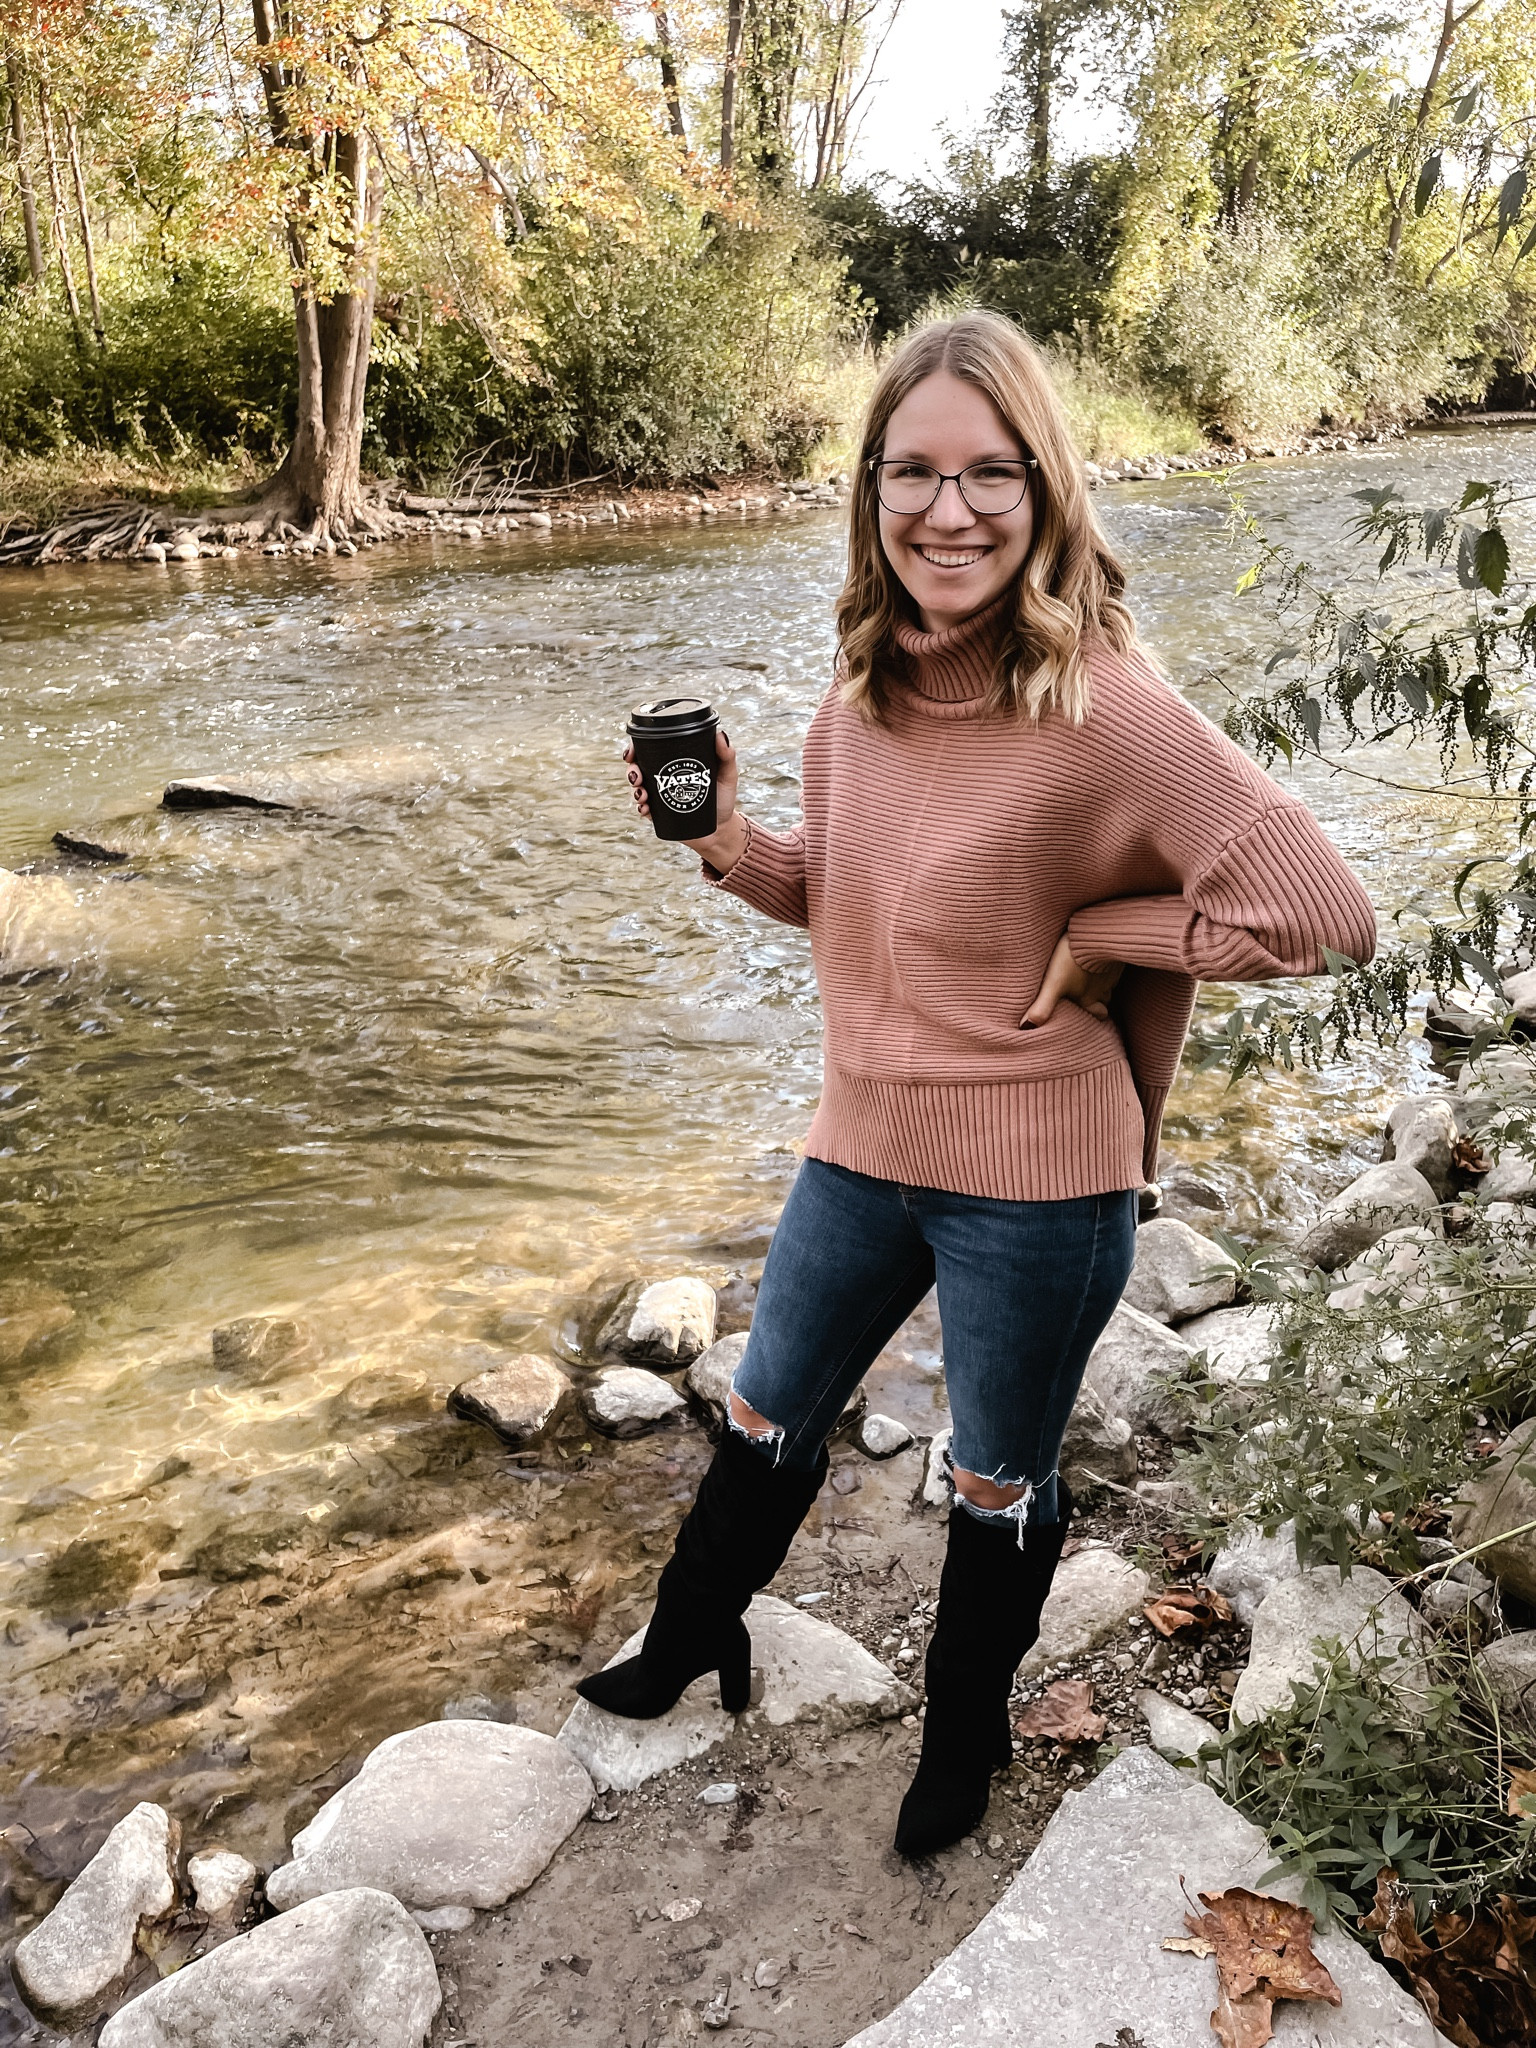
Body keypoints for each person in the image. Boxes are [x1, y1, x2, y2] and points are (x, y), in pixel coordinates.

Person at [581, 309, 1376, 1859]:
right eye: (914, 474)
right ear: (872, 491)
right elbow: (861, 902)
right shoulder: (859, 692)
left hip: (1041, 1177)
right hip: (861, 1143)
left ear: (1046, 485)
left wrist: (1103, 931)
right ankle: (692, 1641)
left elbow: (1323, 910)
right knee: (761, 1415)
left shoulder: (1111, 706)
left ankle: (963, 1737)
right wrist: (725, 840)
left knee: (995, 1477)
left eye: (989, 473)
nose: (950, 511)